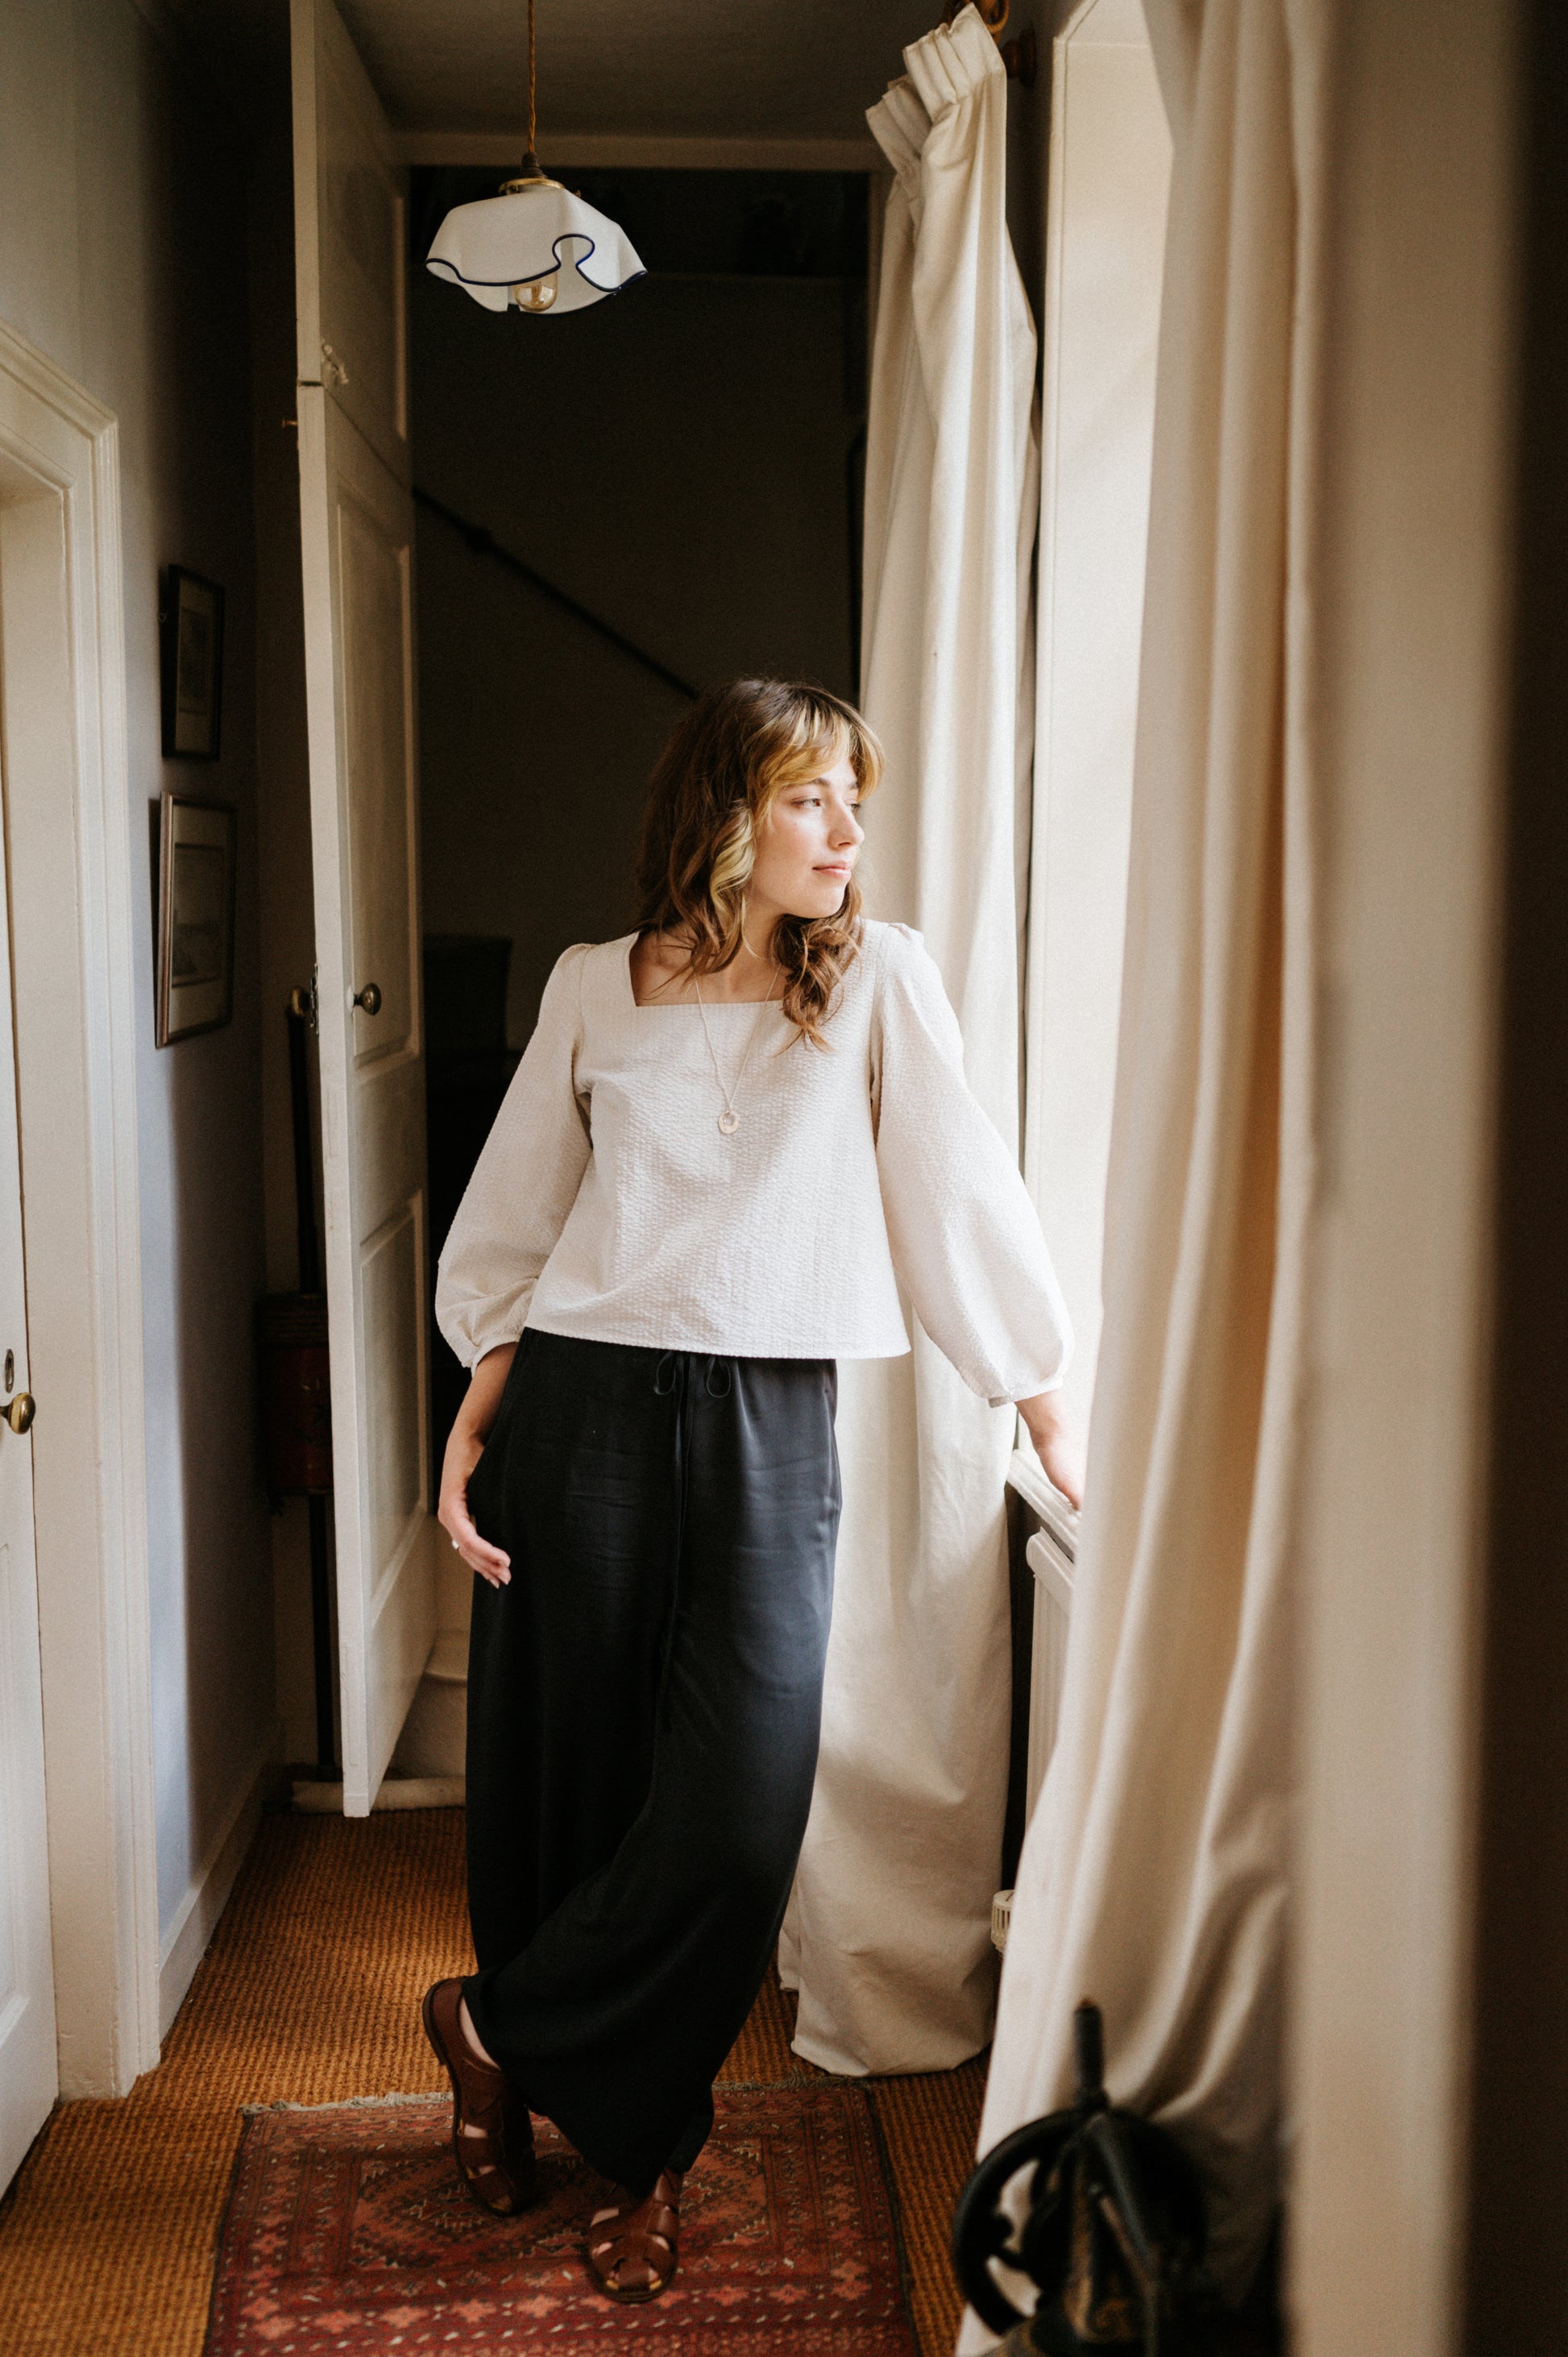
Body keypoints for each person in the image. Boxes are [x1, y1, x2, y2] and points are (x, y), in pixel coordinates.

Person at [423, 677, 1081, 2303]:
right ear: (725, 812)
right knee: (576, 1776)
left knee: (737, 1805)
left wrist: (1048, 1411)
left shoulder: (875, 978)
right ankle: (643, 2151)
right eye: (810, 796)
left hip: (771, 1419)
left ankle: (492, 2027)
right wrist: (468, 1428)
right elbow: (514, 1220)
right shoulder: (594, 982)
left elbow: (960, 1199)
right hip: (577, 1407)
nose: (847, 829)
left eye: (856, 798)